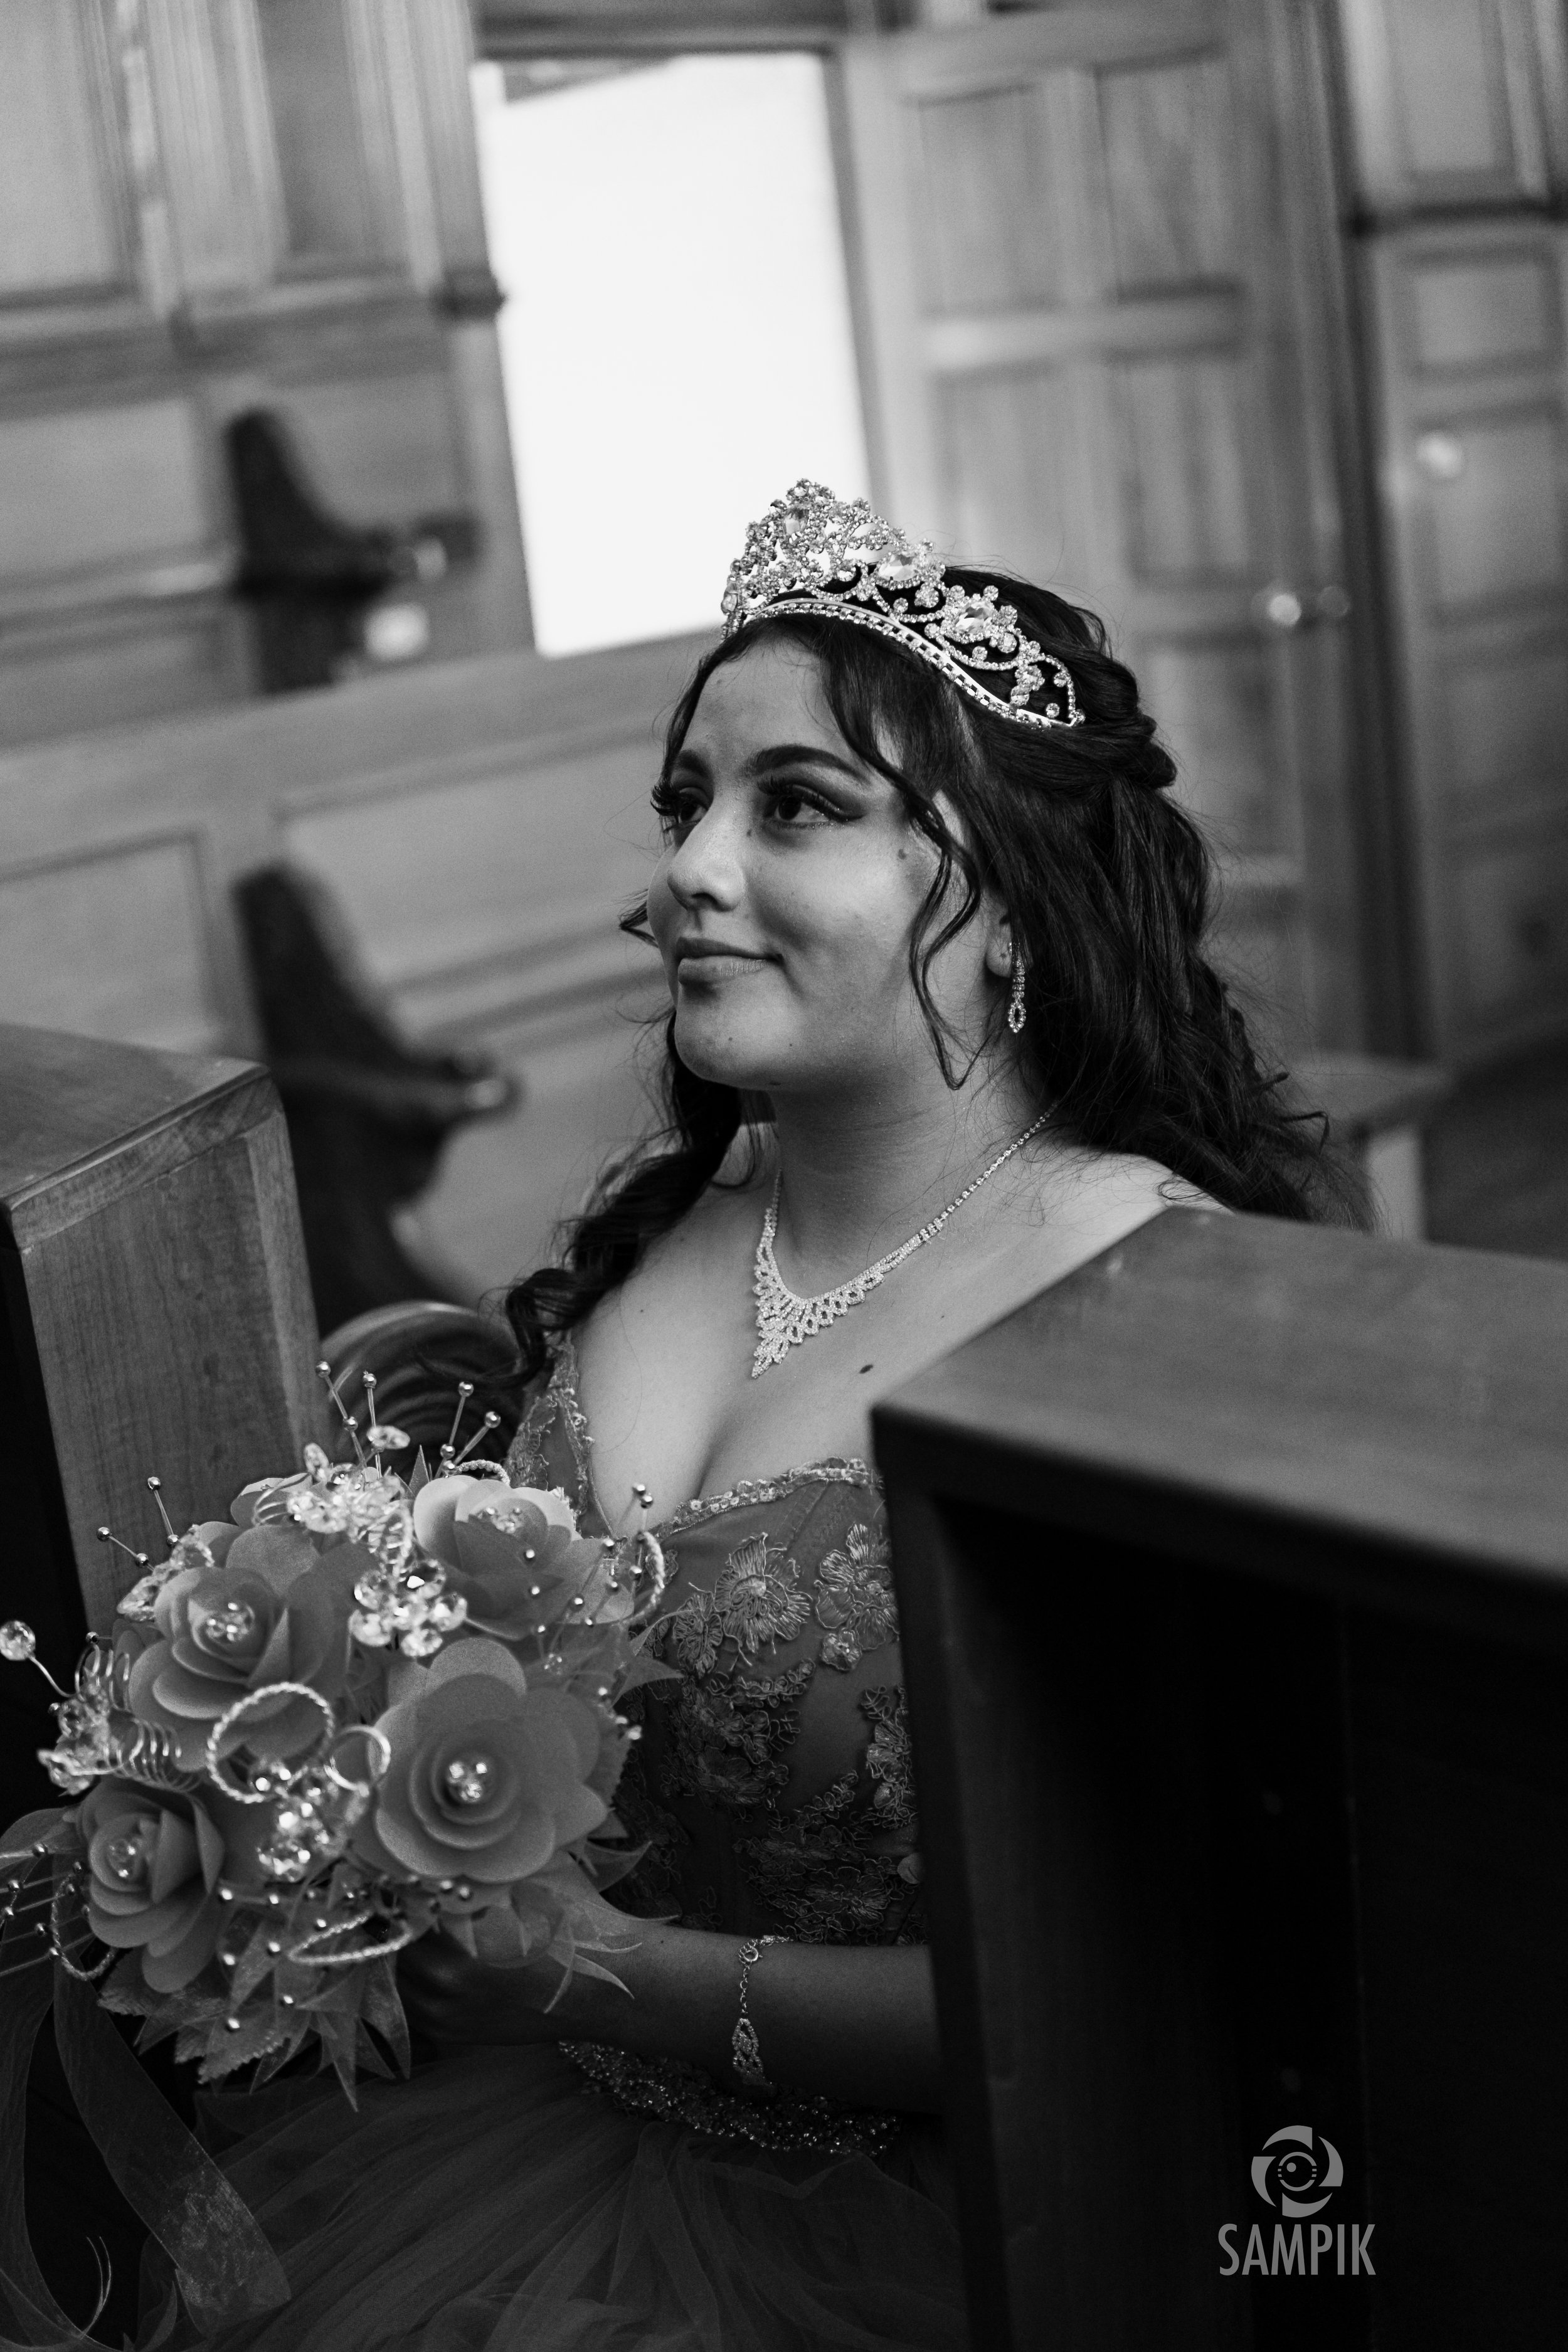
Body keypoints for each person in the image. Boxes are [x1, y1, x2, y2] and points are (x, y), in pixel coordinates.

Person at [142, 482, 1353, 2350]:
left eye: (794, 806)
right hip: (511, 2160)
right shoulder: (684, 1227)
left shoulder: (1150, 1297)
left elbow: (1148, 1972)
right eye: (683, 803)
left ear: (1013, 893)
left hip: (929, 2229)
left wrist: (604, 1979)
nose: (686, 873)